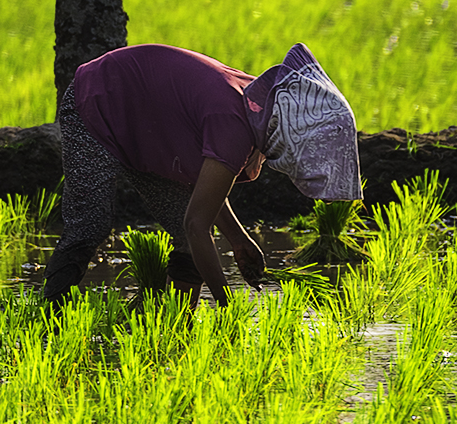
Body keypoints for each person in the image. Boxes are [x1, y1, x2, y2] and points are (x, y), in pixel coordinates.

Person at [43, 42, 363, 308]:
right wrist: (227, 306)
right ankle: (51, 313)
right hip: (99, 100)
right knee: (90, 224)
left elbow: (203, 191)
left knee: (186, 237)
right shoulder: (236, 123)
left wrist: (239, 240)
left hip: (149, 127)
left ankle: (178, 320)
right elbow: (198, 223)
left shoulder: (260, 109)